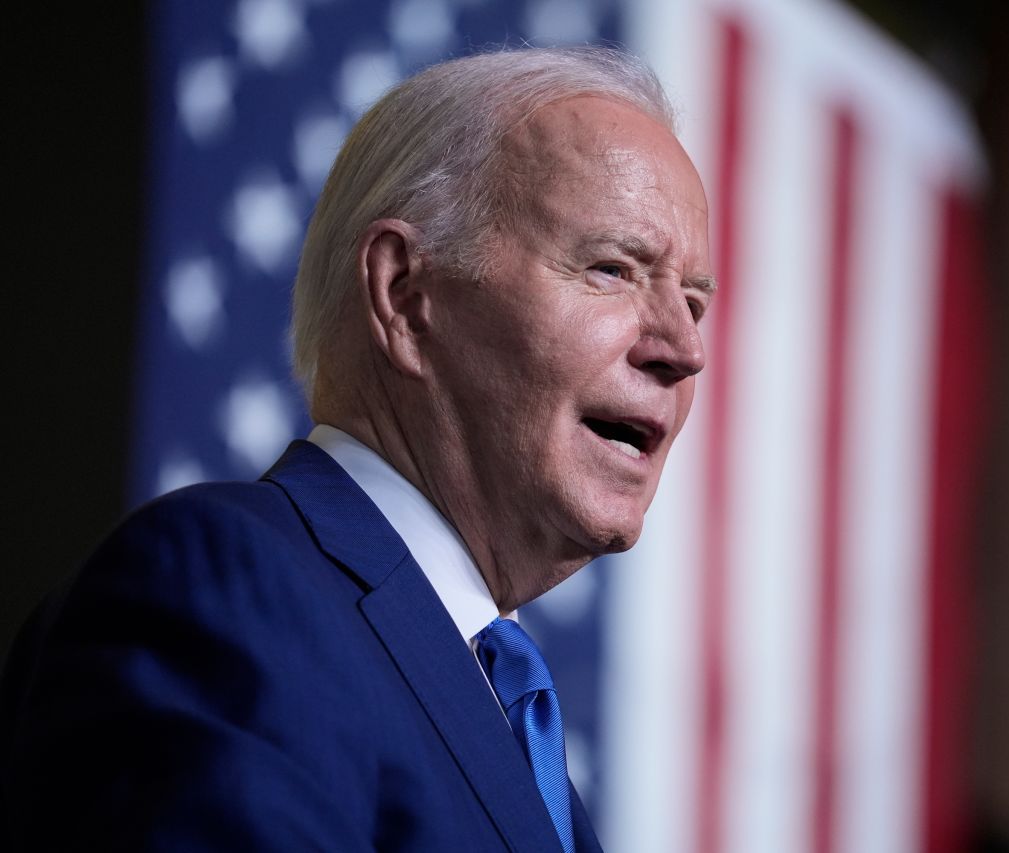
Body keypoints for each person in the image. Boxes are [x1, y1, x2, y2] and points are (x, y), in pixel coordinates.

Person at [0, 46, 714, 851]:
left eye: (694, 300)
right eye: (614, 269)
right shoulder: (231, 589)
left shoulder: (512, 716)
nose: (683, 349)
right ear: (405, 296)